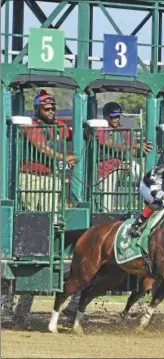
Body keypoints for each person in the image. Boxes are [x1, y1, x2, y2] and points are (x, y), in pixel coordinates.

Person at [7, 89, 78, 325]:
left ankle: (55, 238)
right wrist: (62, 157)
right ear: (37, 109)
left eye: (53, 108)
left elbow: (72, 133)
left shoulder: (58, 125)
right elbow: (41, 149)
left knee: (52, 221)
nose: (52, 111)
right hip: (29, 177)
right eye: (47, 108)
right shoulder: (31, 126)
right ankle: (15, 309)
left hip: (49, 178)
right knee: (34, 224)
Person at [96, 102, 152, 211]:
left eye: (118, 116)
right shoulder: (100, 129)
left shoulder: (125, 131)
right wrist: (134, 145)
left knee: (137, 168)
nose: (116, 119)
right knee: (107, 197)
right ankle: (107, 214)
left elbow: (134, 152)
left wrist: (142, 150)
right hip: (106, 171)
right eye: (113, 117)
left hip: (123, 167)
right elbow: (113, 145)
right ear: (106, 117)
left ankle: (147, 201)